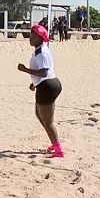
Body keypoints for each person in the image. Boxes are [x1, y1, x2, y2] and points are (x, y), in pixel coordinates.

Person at [17, 24, 64, 157]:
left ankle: (58, 150)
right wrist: (34, 83)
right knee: (40, 115)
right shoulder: (41, 49)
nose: (30, 37)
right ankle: (54, 143)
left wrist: (25, 69)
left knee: (48, 122)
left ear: (39, 38)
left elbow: (44, 72)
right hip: (47, 84)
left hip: (47, 86)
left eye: (33, 35)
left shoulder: (41, 52)